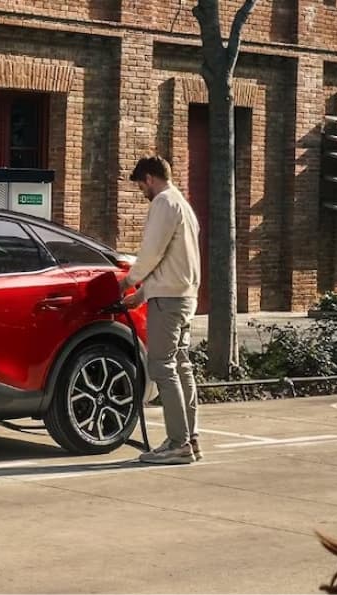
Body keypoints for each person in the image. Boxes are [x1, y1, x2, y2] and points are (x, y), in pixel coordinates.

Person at [120, 156, 202, 465]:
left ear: (150, 179)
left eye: (141, 185)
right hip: (184, 296)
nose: (142, 192)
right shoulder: (184, 206)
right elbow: (173, 259)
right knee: (181, 366)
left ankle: (178, 443)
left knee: (162, 366)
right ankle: (191, 438)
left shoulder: (164, 203)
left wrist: (128, 281)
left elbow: (152, 251)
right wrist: (142, 295)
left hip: (168, 301)